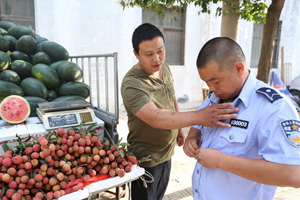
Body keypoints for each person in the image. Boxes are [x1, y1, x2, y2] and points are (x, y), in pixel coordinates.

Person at [121, 23, 238, 200]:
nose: (157, 59)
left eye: (160, 51)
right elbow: (155, 117)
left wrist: (180, 129)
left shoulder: (163, 68)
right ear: (136, 54)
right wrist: (200, 116)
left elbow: (171, 95)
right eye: (149, 54)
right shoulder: (131, 84)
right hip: (146, 158)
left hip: (167, 153)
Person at [183, 37, 300, 200]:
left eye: (215, 81)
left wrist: (221, 161)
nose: (211, 88)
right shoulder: (215, 96)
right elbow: (200, 119)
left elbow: (294, 174)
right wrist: (193, 136)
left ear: (238, 68)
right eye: (207, 82)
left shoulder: (273, 108)